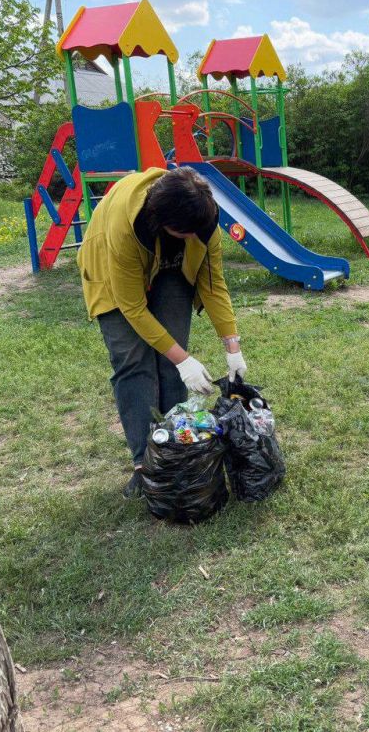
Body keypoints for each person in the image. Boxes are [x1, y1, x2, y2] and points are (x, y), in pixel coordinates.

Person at [77, 166, 246, 497]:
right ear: (164, 223)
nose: (196, 238)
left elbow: (213, 284)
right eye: (187, 234)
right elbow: (133, 308)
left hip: (171, 270)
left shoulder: (202, 218)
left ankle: (174, 452)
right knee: (133, 363)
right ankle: (145, 465)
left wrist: (232, 346)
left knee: (171, 363)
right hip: (111, 270)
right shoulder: (126, 227)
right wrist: (185, 360)